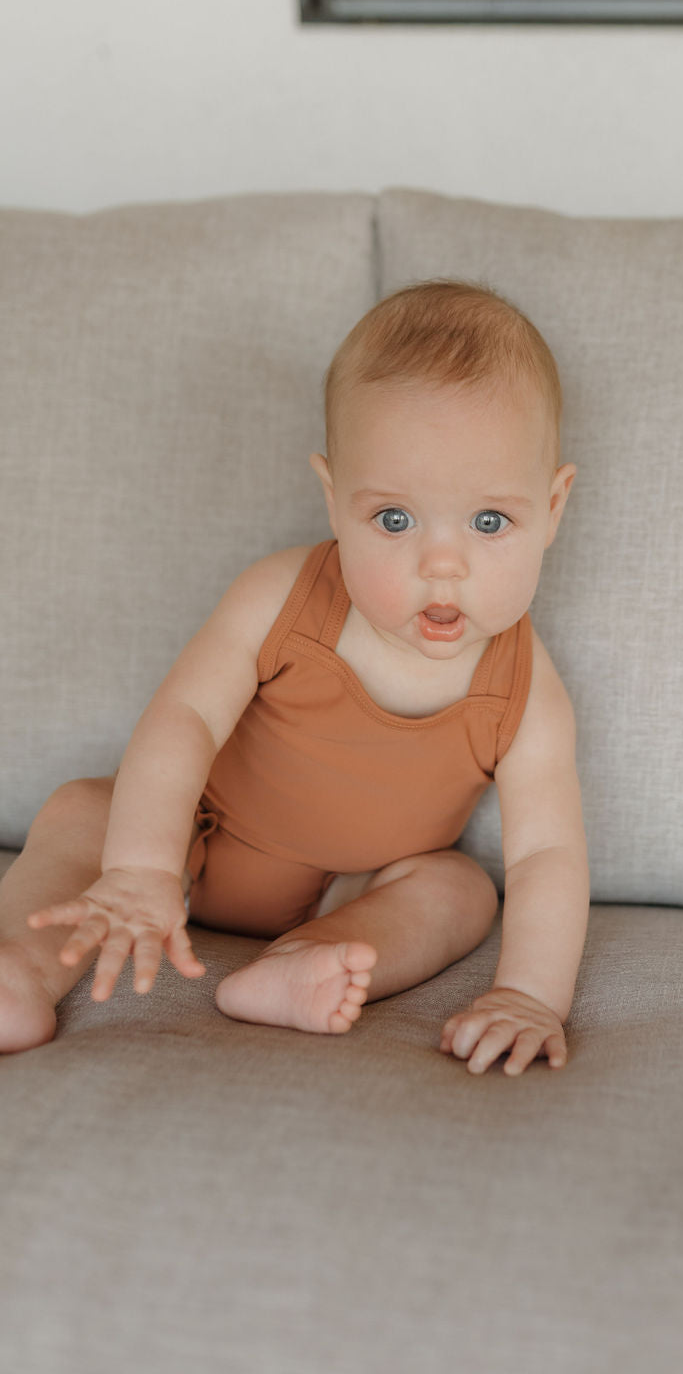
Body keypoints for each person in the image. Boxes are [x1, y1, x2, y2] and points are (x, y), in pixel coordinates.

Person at [0, 281, 589, 1074]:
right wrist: (139, 866)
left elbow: (545, 854)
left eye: (491, 522)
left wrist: (530, 994)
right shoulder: (278, 596)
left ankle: (306, 962)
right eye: (394, 519)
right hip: (192, 844)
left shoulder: (529, 695)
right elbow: (187, 719)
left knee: (461, 890)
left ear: (552, 509)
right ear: (334, 500)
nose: (440, 565)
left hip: (352, 888)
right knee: (82, 810)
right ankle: (19, 971)